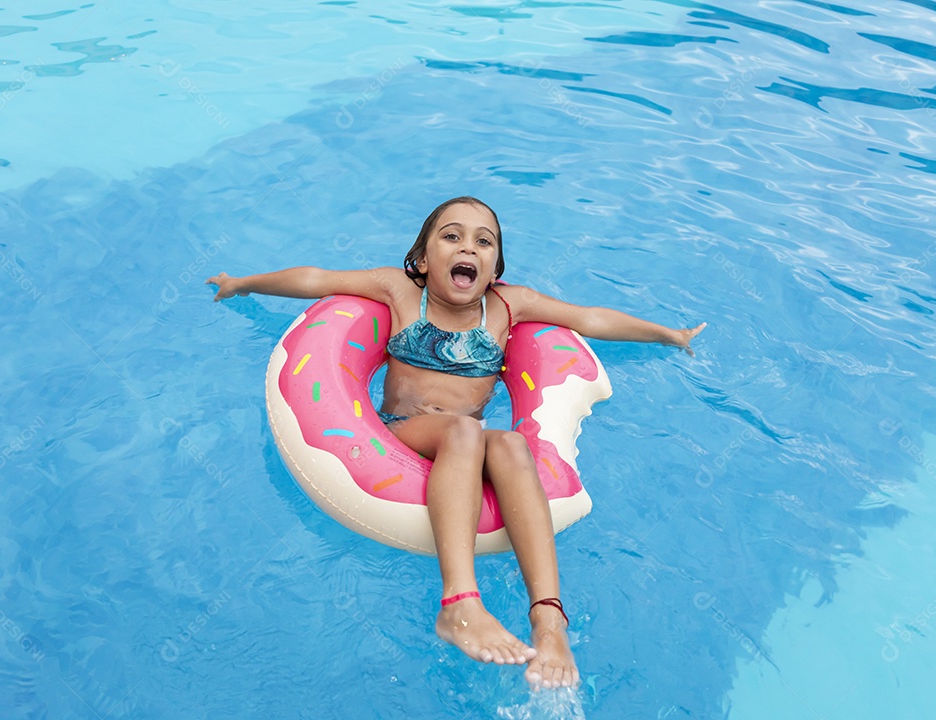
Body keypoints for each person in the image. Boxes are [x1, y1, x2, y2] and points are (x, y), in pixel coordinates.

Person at [206, 196, 705, 689]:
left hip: (467, 442)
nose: (468, 246)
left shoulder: (511, 305)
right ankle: (459, 603)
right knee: (468, 430)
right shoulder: (399, 289)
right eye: (452, 236)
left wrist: (669, 335)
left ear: (493, 270)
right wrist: (243, 284)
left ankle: (550, 621)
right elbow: (316, 279)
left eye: (483, 241)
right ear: (423, 259)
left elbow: (589, 318)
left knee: (509, 444)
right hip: (403, 430)